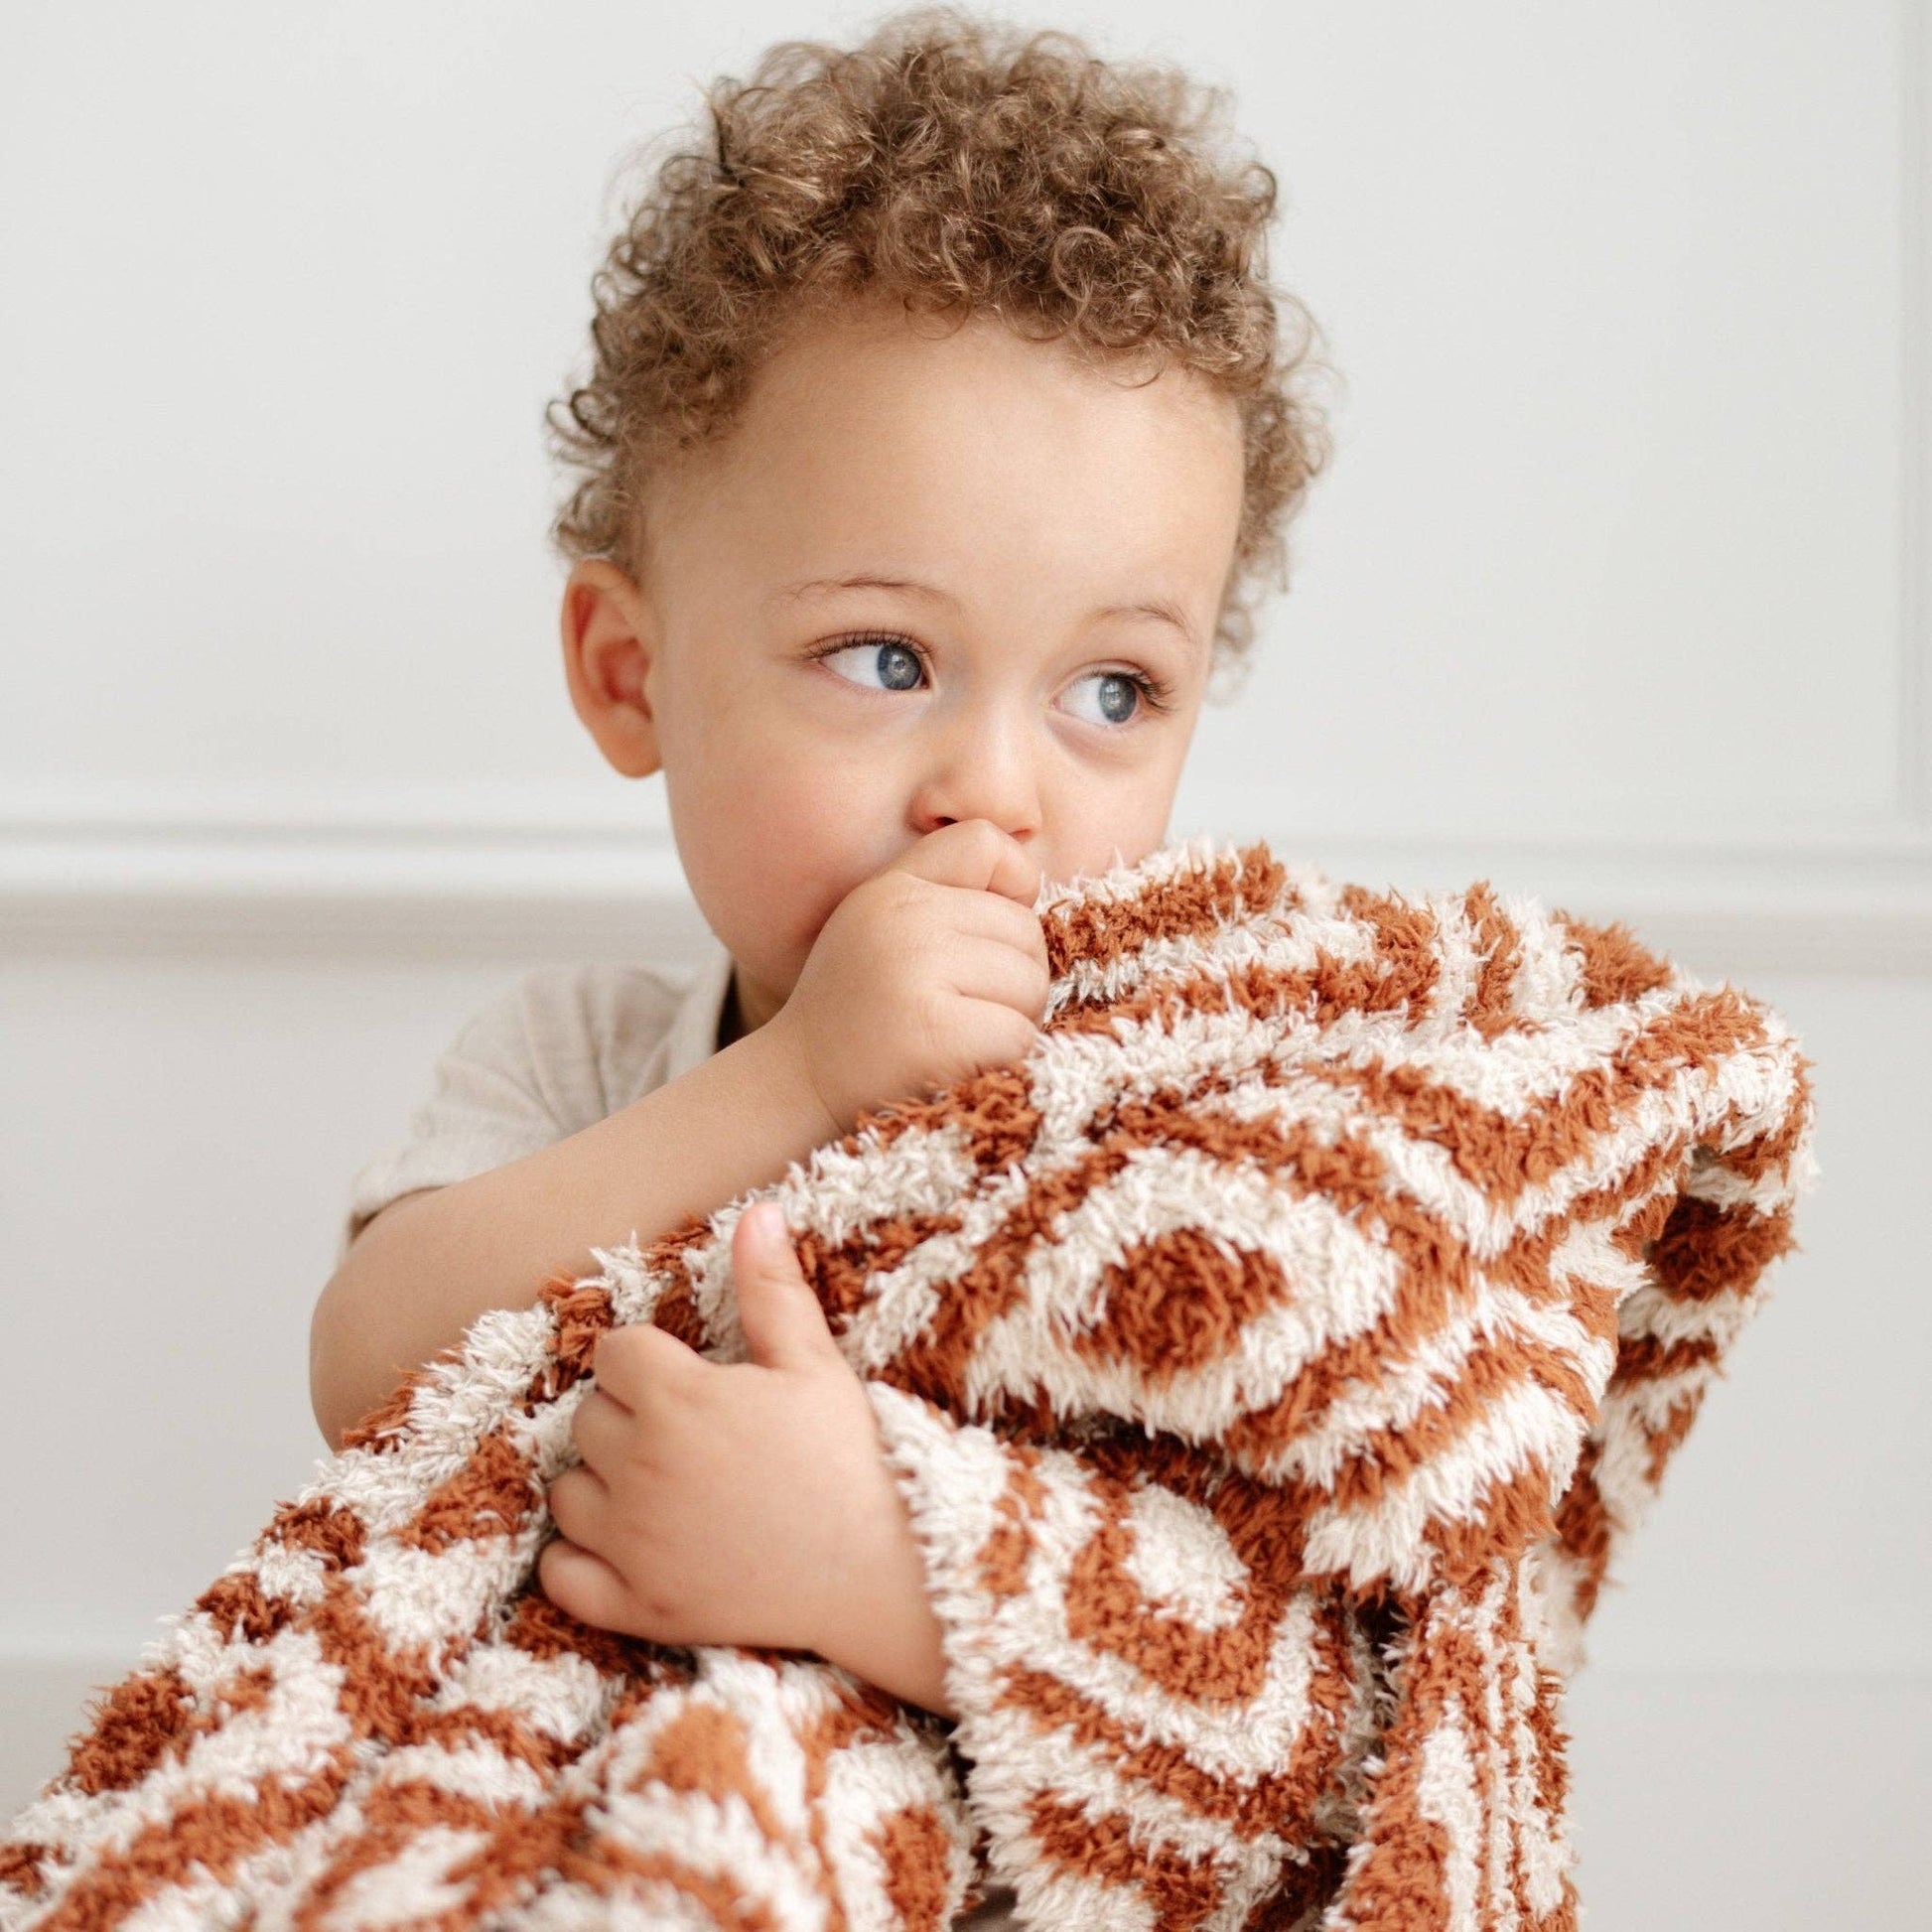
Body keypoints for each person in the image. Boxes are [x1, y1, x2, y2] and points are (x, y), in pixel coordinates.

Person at [307, 8, 1330, 1920]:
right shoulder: (580, 1059)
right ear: (633, 675)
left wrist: (871, 1562)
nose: (993, 792)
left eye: (1113, 689)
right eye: (887, 658)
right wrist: (792, 1082)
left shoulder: (1197, 1130)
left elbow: (1278, 1688)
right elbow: (372, 1376)